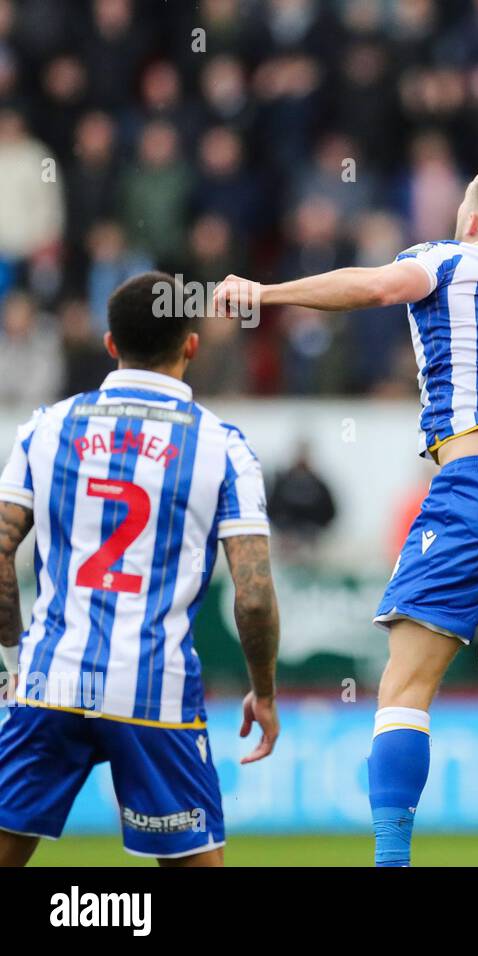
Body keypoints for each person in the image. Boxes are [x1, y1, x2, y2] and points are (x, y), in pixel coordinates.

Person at [215, 152, 478, 868]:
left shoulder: (448, 258)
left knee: (403, 684)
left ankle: (391, 861)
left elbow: (375, 285)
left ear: (471, 217)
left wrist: (268, 292)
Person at [0, 271, 280, 867]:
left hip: (50, 682)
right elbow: (253, 596)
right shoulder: (221, 446)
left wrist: (12, 658)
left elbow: (0, 546)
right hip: (157, 695)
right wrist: (264, 690)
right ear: (191, 346)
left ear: (109, 345)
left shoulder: (46, 427)